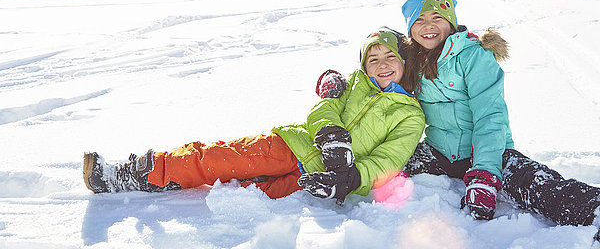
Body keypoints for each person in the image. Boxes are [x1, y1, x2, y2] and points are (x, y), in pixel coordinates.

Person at [319, 0, 600, 238]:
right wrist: (337, 80)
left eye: (437, 18)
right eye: (419, 20)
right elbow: (379, 68)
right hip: (438, 153)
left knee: (535, 185)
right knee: (384, 162)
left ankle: (593, 210)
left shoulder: (474, 56)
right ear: (410, 29)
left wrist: (485, 173)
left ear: (450, 22)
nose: (428, 26)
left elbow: (490, 117)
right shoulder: (413, 59)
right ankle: (329, 178)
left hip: (489, 153)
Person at [82, 28, 426, 205]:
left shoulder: (410, 116)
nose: (381, 65)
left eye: (390, 57)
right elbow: (324, 107)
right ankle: (135, 172)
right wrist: (330, 132)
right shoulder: (353, 83)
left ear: (404, 62)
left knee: (235, 190)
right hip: (290, 146)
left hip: (311, 181)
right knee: (218, 160)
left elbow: (388, 160)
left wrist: (350, 179)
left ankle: (162, 181)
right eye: (373, 58)